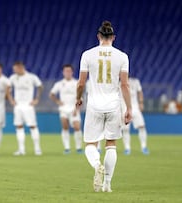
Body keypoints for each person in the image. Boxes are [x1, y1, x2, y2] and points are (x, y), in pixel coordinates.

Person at [76, 21, 132, 192]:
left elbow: (81, 83)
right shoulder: (122, 56)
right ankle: (107, 184)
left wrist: (78, 98)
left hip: (94, 104)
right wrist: (129, 108)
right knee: (111, 144)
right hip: (113, 105)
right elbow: (124, 85)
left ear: (98, 36)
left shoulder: (88, 55)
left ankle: (96, 165)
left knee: (91, 144)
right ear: (113, 37)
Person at [9, 61, 43, 156]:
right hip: (18, 106)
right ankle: (21, 150)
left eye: (15, 69)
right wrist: (11, 99)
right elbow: (7, 88)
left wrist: (37, 99)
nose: (14, 70)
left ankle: (37, 149)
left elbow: (40, 86)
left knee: (32, 126)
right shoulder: (13, 78)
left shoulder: (31, 77)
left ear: (21, 67)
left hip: (28, 106)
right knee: (19, 126)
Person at [50, 64, 83, 154]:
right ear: (63, 72)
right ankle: (67, 148)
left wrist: (77, 109)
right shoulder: (59, 84)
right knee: (65, 127)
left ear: (72, 72)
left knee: (77, 127)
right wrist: (58, 102)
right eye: (66, 71)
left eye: (69, 71)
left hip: (74, 109)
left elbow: (80, 98)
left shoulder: (77, 83)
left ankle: (79, 148)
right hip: (63, 109)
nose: (67, 73)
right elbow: (51, 94)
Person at [121, 77, 149, 155]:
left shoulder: (135, 81)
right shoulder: (117, 82)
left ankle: (144, 147)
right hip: (124, 108)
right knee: (125, 129)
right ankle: (127, 148)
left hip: (135, 108)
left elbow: (140, 92)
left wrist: (141, 102)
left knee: (142, 126)